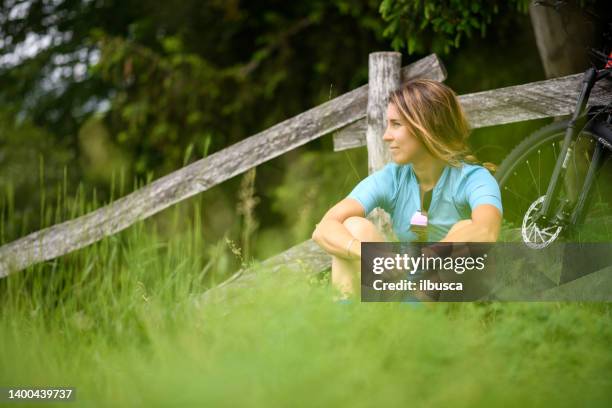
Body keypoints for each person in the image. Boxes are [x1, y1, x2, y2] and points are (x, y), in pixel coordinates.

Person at [311, 79, 503, 300]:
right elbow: (323, 228)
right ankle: (347, 328)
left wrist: (426, 256)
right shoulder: (393, 178)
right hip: (403, 288)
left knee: (465, 228)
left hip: (454, 299)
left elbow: (486, 231)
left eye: (396, 124)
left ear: (427, 126)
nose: (386, 135)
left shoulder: (473, 178)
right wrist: (367, 255)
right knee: (354, 226)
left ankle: (417, 321)